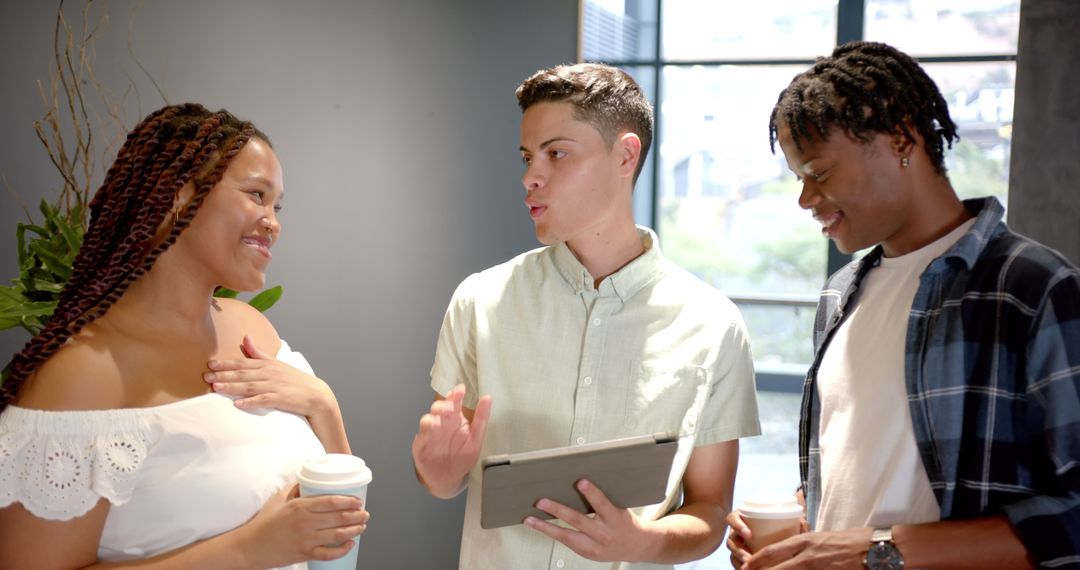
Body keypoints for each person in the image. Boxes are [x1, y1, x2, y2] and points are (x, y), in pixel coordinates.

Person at [725, 41, 1080, 569]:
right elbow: (873, 478)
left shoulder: (1031, 287)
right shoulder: (839, 295)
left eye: (819, 174)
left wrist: (874, 551)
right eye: (799, 179)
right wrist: (803, 527)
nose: (804, 199)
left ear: (901, 139)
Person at [411, 62, 761, 569]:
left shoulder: (714, 325)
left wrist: (648, 542)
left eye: (557, 154)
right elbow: (443, 479)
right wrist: (437, 472)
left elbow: (711, 509)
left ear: (625, 155)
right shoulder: (480, 300)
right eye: (528, 156)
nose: (531, 176)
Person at [0, 103, 369, 568]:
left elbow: (338, 523)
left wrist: (323, 404)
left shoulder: (253, 331)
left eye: (277, 205)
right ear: (177, 193)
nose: (273, 221)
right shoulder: (82, 375)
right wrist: (249, 548)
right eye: (256, 195)